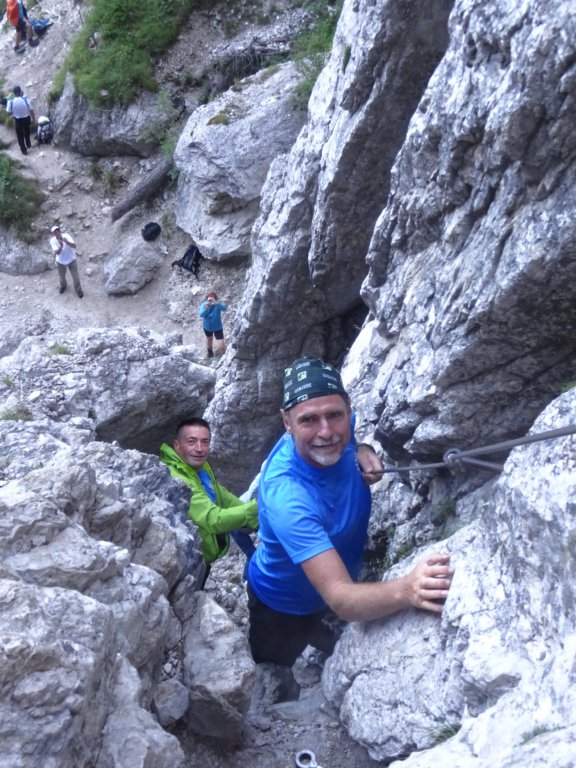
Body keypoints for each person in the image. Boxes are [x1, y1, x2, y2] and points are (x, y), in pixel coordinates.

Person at [247, 357, 452, 673]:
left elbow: (348, 438)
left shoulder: (341, 426)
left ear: (348, 408)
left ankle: (320, 638)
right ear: (287, 423)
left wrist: (362, 450)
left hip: (333, 576)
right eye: (308, 420)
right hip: (281, 602)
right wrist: (407, 588)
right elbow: (341, 597)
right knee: (275, 665)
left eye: (334, 415)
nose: (326, 431)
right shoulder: (287, 497)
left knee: (321, 628)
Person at [160, 417, 259, 586]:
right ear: (177, 445)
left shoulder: (198, 468)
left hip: (201, 559)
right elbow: (213, 520)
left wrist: (258, 519)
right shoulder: (177, 477)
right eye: (191, 442)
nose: (199, 448)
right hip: (186, 566)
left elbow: (222, 495)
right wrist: (258, 507)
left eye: (205, 442)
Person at [49, 225, 84, 298]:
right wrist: (61, 245)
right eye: (55, 232)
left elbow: (74, 246)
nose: (57, 233)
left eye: (58, 231)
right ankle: (63, 286)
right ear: (53, 234)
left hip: (71, 260)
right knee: (62, 277)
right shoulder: (52, 241)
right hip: (61, 262)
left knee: (76, 278)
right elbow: (57, 253)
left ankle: (78, 290)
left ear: (60, 230)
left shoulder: (66, 236)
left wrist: (67, 242)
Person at [6, 86, 34, 155]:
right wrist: (33, 119)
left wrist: (13, 112)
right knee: (27, 132)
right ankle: (28, 144)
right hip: (26, 118)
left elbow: (8, 113)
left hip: (18, 120)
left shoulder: (11, 102)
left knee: (20, 136)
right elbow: (31, 110)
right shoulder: (25, 99)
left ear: (14, 93)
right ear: (20, 91)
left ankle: (24, 151)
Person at [198, 291, 228, 358]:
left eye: (213, 298)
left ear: (215, 298)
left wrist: (216, 303)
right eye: (209, 298)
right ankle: (210, 352)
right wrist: (206, 309)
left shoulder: (218, 304)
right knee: (209, 340)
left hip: (218, 328)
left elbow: (225, 309)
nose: (211, 300)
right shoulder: (204, 305)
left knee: (222, 346)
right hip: (207, 328)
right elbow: (201, 314)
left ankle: (223, 358)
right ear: (207, 299)